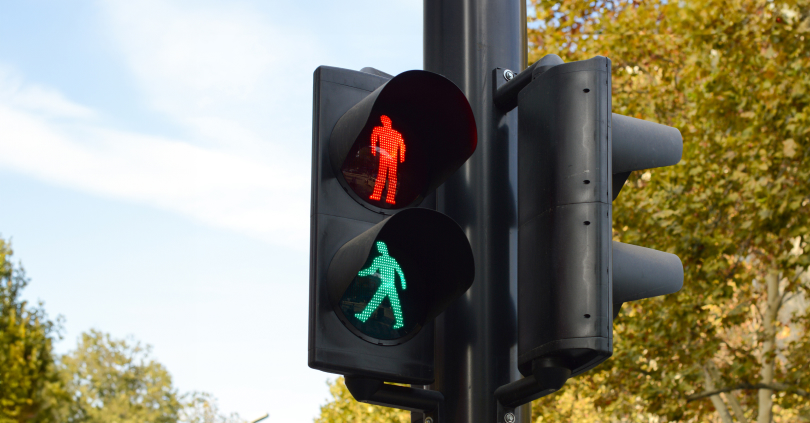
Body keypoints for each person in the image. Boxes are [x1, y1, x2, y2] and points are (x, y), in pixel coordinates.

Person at [355, 241, 407, 329]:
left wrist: (361, 273)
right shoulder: (388, 260)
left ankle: (364, 316)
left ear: (382, 249)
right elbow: (399, 272)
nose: (379, 249)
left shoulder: (381, 260)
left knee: (391, 303)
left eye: (380, 248)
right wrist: (403, 282)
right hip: (389, 285)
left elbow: (371, 270)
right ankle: (364, 316)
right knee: (390, 303)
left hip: (387, 285)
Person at [369, 115, 406, 204]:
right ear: (382, 122)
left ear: (390, 122)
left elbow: (402, 145)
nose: (386, 123)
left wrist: (402, 157)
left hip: (392, 158)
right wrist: (373, 149)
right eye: (384, 121)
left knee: (392, 178)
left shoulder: (396, 133)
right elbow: (373, 137)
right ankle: (378, 195)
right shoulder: (379, 129)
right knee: (382, 176)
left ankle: (390, 197)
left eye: (387, 121)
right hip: (385, 156)